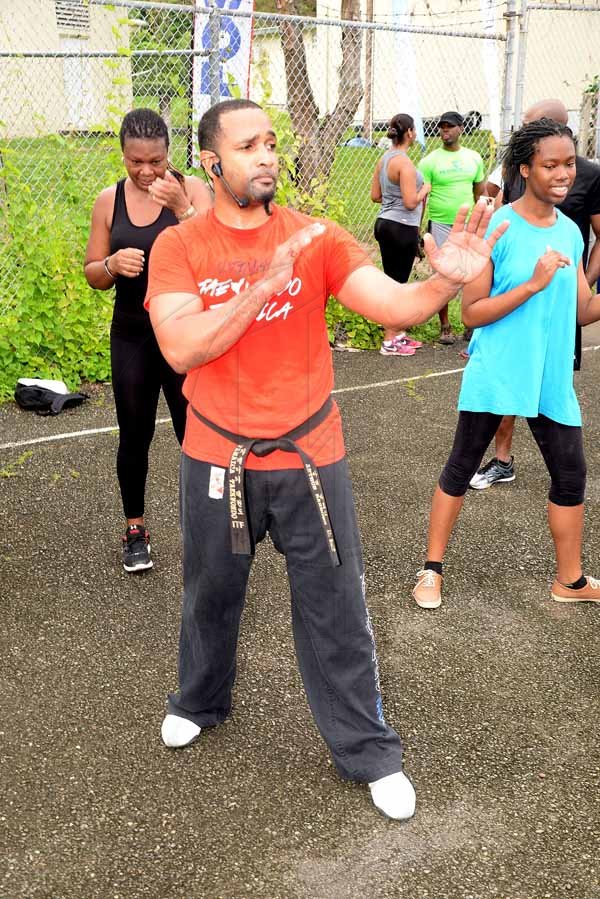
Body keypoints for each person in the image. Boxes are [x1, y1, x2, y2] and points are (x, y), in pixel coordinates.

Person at [144, 99, 507, 820]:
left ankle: (368, 749)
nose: (268, 155)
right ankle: (200, 698)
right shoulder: (180, 247)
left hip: (312, 453)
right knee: (210, 594)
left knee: (337, 606)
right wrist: (262, 287)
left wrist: (444, 282)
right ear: (213, 164)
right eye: (249, 146)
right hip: (218, 455)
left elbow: (393, 306)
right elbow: (183, 348)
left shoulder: (316, 238)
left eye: (272, 142)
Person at [412, 118, 600, 612]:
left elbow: (582, 308)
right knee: (461, 467)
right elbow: (472, 314)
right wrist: (532, 285)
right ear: (525, 168)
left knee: (570, 476)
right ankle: (430, 570)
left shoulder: (571, 232)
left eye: (569, 164)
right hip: (497, 372)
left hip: (550, 377)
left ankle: (571, 581)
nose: (564, 174)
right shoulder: (500, 228)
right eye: (550, 164)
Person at [84, 108, 213, 572]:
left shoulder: (193, 191)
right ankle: (134, 528)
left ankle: (206, 530)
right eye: (135, 161)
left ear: (168, 153)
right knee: (133, 434)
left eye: (155, 161)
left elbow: (217, 258)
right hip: (133, 335)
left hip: (184, 332)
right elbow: (92, 273)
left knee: (194, 435)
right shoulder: (108, 200)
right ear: (122, 155)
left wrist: (181, 208)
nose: (146, 171)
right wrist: (111, 266)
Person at [471, 98, 600, 489]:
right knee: (507, 382)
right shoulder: (516, 171)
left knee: (550, 391)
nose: (562, 173)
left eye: (567, 163)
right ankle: (502, 459)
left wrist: (585, 281)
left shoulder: (589, 178)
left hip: (560, 297)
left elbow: (591, 238)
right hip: (514, 301)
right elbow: (490, 198)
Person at [418, 111, 486, 344]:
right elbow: (423, 198)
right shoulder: (429, 161)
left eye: (449, 127)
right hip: (441, 222)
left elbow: (480, 192)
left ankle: (470, 324)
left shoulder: (474, 158)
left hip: (468, 224)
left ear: (460, 129)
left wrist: (483, 217)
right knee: (444, 273)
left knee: (472, 274)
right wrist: (419, 229)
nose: (444, 131)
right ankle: (445, 325)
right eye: (442, 127)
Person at [370, 113, 431, 356]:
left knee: (393, 281)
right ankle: (389, 340)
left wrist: (394, 199)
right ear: (409, 133)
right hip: (401, 226)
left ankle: (398, 334)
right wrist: (424, 188)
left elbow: (375, 196)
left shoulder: (384, 159)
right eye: (414, 130)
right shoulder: (404, 163)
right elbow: (409, 202)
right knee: (398, 286)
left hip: (384, 224)